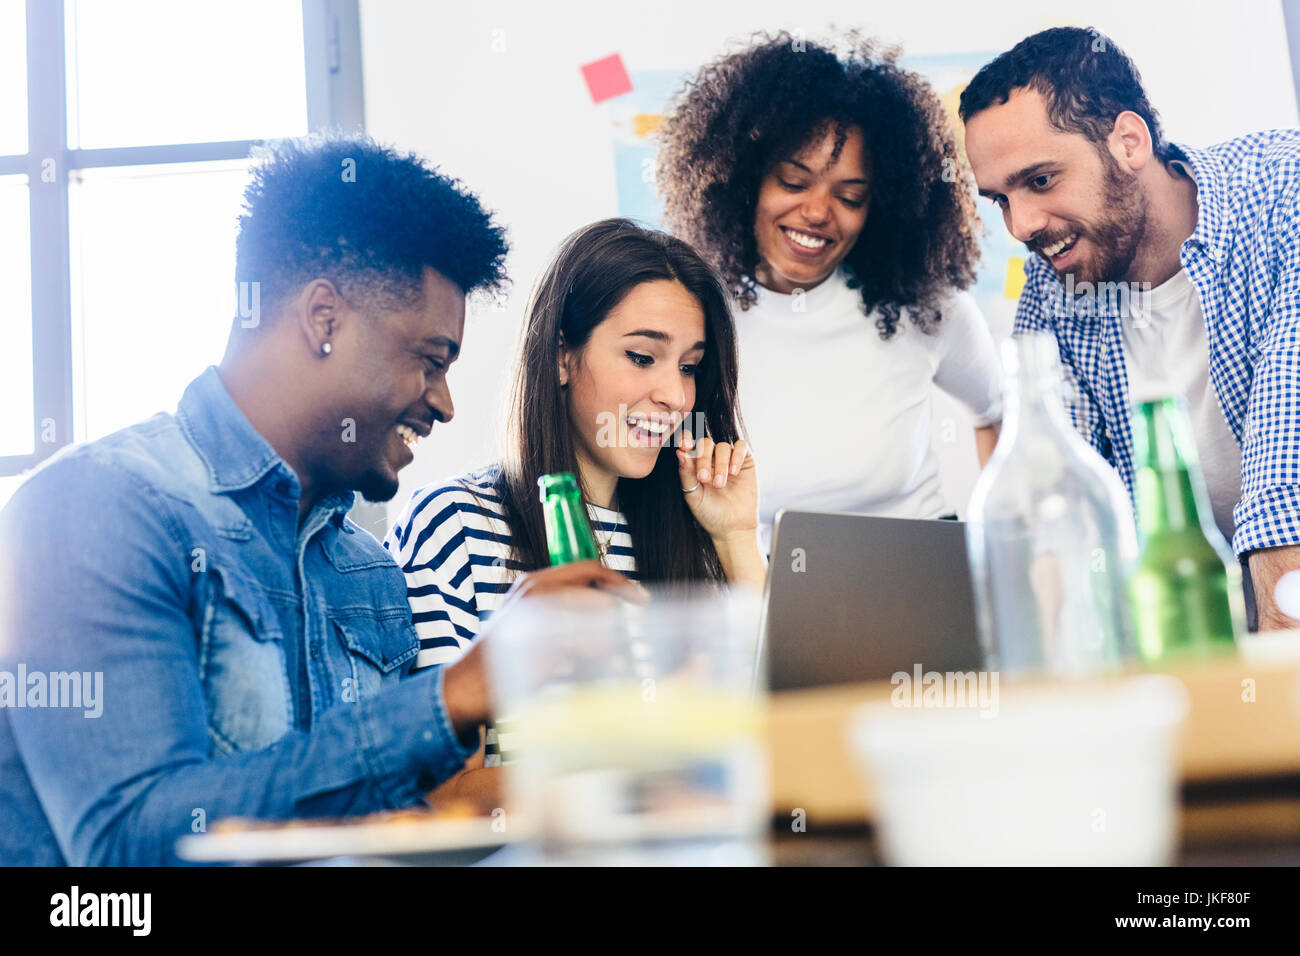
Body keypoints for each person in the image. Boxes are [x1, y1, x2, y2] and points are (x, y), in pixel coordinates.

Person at [0, 134, 635, 866]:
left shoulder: (365, 569)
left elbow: (382, 830)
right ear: (323, 319)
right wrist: (455, 693)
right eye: (432, 361)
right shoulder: (97, 510)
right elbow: (130, 845)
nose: (445, 404)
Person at [384, 219, 765, 762]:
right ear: (563, 355)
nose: (676, 395)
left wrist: (735, 540)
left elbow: (785, 730)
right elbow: (442, 782)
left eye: (689, 367)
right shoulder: (460, 524)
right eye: (641, 357)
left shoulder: (695, 531)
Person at [959, 26, 1300, 631]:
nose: (1021, 226)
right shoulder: (1055, 285)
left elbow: (1287, 485)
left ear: (1128, 141)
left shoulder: (1282, 194)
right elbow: (1053, 519)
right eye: (1001, 199)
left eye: (1039, 181)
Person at [656, 32, 1003, 549]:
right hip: (770, 597)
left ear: (879, 207)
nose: (818, 212)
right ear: (744, 180)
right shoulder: (694, 315)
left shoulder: (926, 307)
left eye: (850, 195)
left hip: (924, 583)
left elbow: (998, 415)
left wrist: (1002, 551)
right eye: (794, 183)